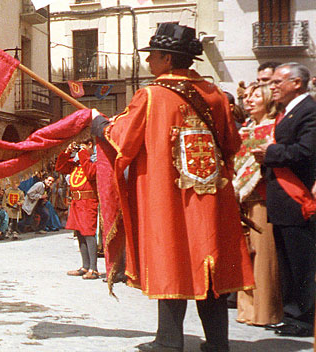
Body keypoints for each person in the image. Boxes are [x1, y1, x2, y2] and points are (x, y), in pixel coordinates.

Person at [91, 23, 253, 351]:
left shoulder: (150, 95)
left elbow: (125, 140)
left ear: (167, 58)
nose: (148, 62)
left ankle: (168, 341)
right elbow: (233, 142)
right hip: (213, 195)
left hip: (168, 198)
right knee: (211, 264)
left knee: (172, 260)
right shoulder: (217, 96)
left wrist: (99, 124)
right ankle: (218, 343)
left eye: (152, 56)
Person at [251, 62, 316, 337]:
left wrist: (272, 153)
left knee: (301, 261)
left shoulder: (309, 111)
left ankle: (303, 317)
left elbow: (305, 150)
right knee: (287, 261)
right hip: (282, 199)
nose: (273, 87)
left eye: (278, 81)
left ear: (297, 84)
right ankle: (291, 314)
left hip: (296, 195)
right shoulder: (288, 111)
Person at [233, 82, 282, 326]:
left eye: (255, 97)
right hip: (242, 196)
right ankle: (247, 310)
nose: (249, 101)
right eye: (248, 97)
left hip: (262, 195)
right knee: (245, 254)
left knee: (263, 256)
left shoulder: (274, 127)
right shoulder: (246, 128)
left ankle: (265, 312)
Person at [56, 140, 100, 280]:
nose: (81, 148)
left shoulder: (95, 163)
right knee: (79, 233)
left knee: (88, 233)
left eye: (84, 145)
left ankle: (94, 269)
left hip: (88, 201)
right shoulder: (77, 164)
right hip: (76, 202)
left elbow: (91, 173)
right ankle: (85, 266)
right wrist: (68, 151)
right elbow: (60, 167)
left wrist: (83, 153)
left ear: (90, 145)